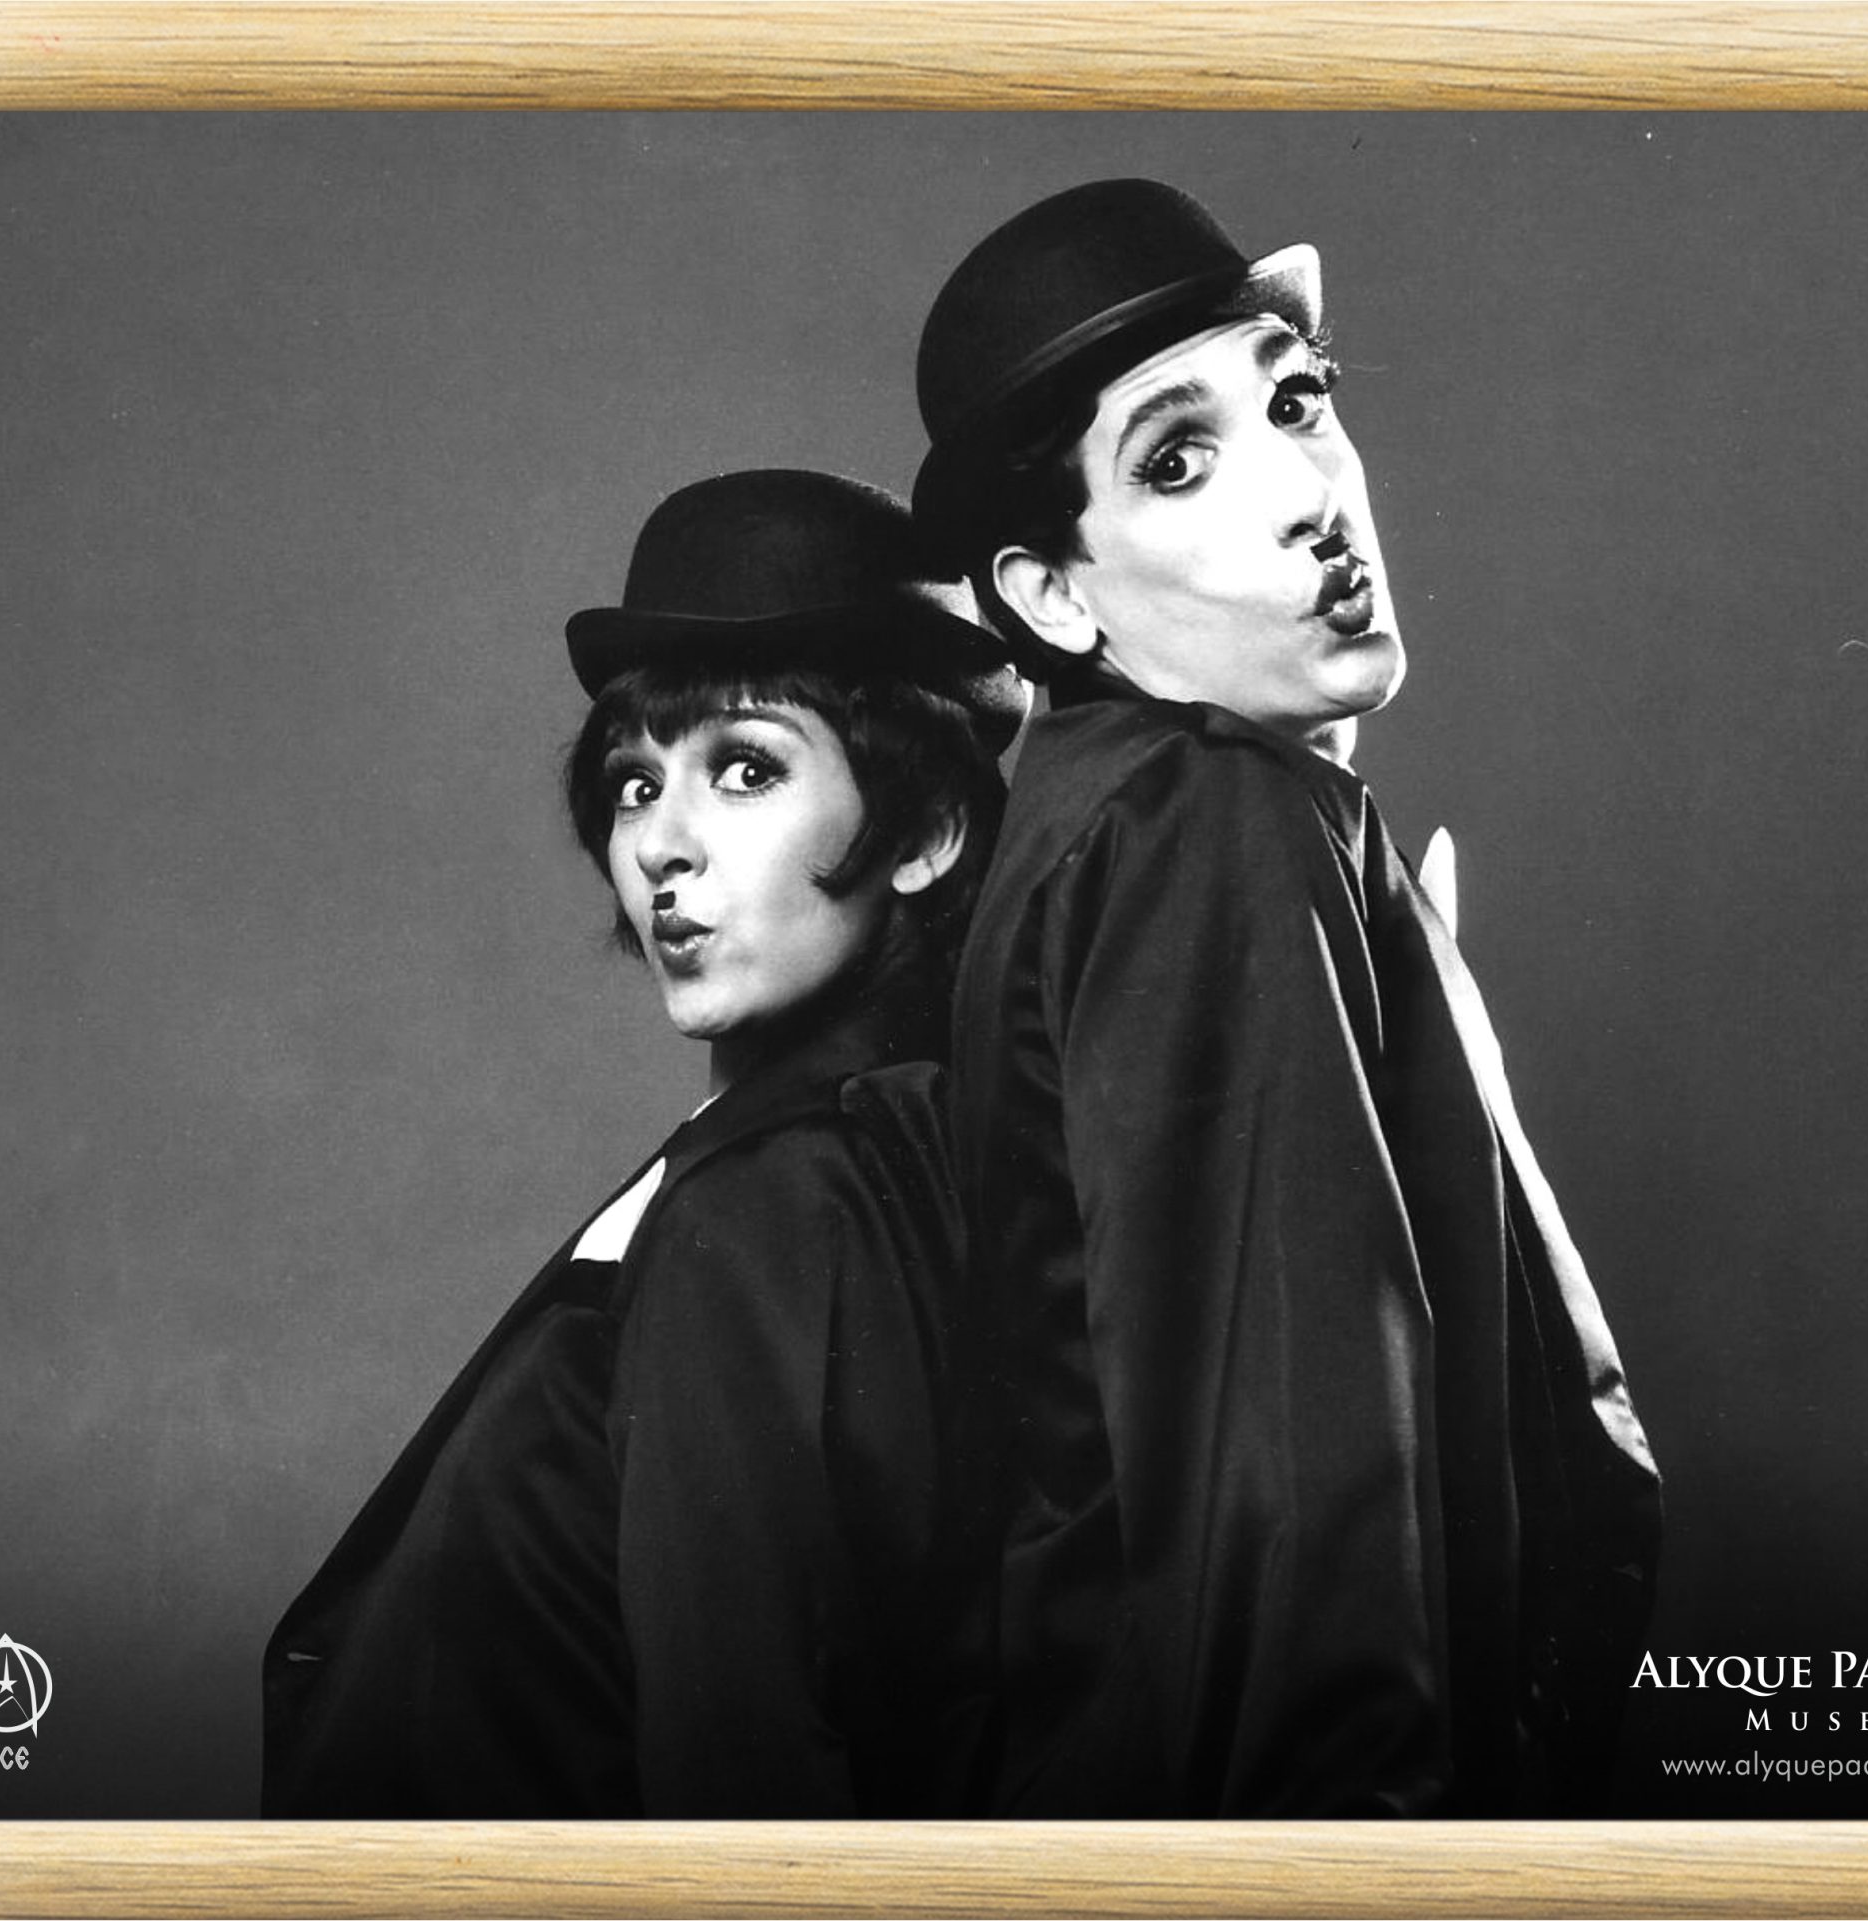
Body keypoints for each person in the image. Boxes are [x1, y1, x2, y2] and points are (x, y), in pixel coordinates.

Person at [911, 178, 1662, 1817]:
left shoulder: (1129, 817)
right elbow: (1292, 1486)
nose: (1309, 495)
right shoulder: (1208, 819)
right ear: (1053, 596)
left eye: (1298, 400)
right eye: (1177, 461)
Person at [261, 469, 1021, 1816]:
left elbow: (753, 1772)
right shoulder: (827, 1151)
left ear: (927, 829)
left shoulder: (786, 1188)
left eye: (746, 769)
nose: (662, 845)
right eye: (633, 782)